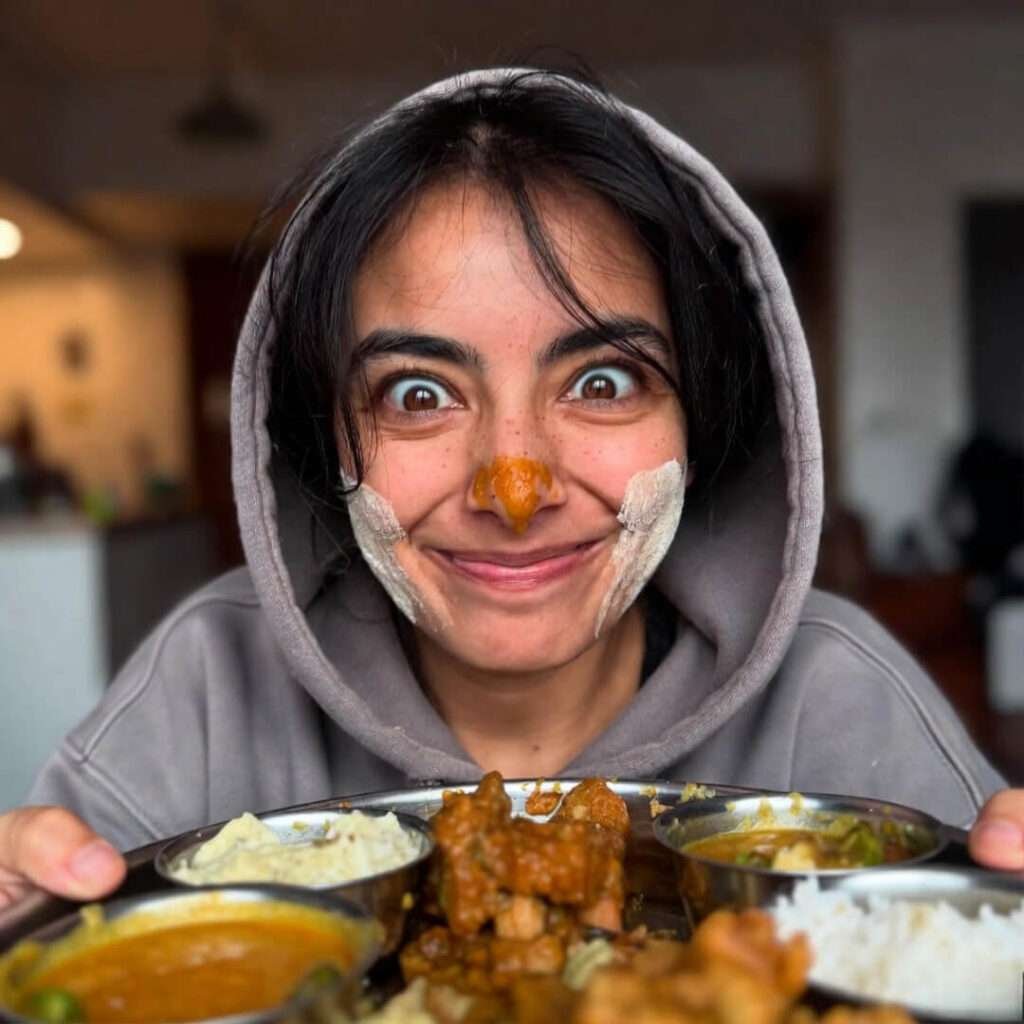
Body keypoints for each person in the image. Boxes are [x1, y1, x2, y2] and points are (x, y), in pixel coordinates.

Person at [2, 67, 1022, 910]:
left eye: (602, 381)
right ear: (323, 441)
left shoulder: (841, 695)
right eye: (416, 393)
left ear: (699, 421)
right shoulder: (206, 688)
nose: (515, 487)